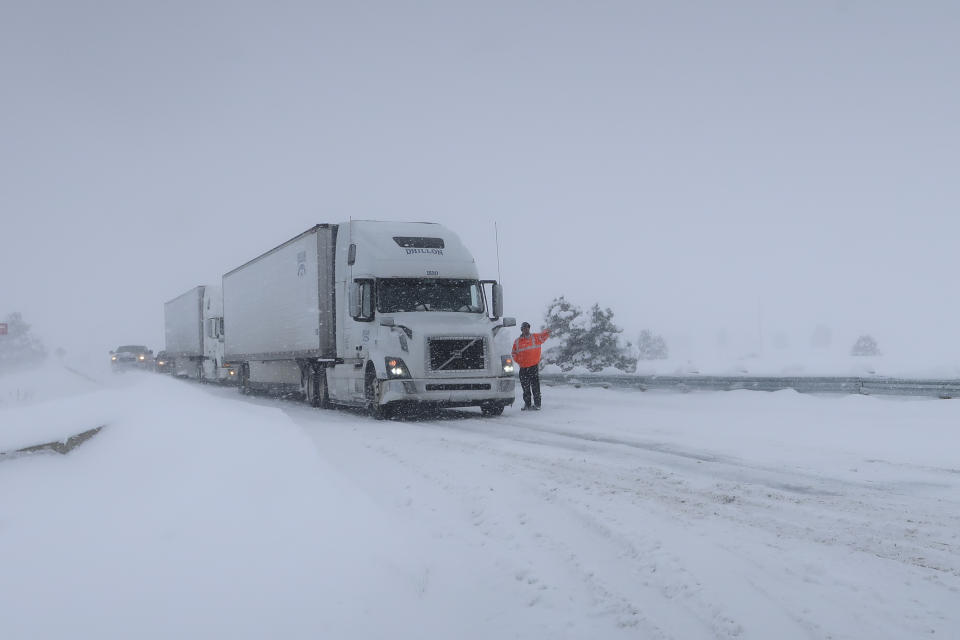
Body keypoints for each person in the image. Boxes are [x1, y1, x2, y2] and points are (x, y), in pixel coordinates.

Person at [511, 322, 551, 410]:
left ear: (529, 328)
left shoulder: (535, 337)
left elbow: (544, 335)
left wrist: (548, 330)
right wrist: (519, 361)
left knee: (535, 387)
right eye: (524, 328)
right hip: (523, 368)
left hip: (533, 367)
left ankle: (537, 405)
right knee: (525, 388)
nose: (526, 329)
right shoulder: (517, 341)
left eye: (527, 327)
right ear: (521, 330)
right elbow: (513, 353)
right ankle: (527, 404)